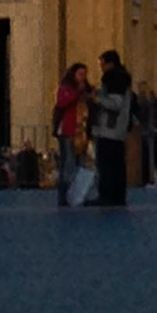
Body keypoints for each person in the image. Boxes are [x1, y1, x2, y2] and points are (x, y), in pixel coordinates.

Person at [88, 51, 133, 207]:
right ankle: (117, 196)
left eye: (103, 64)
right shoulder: (122, 79)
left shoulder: (114, 80)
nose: (101, 67)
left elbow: (115, 104)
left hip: (110, 128)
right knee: (117, 164)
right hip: (118, 130)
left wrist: (97, 99)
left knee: (107, 165)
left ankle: (107, 195)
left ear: (110, 64)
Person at [53, 64, 91, 208]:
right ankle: (64, 196)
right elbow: (62, 102)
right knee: (67, 163)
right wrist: (76, 93)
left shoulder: (85, 90)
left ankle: (77, 194)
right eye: (80, 74)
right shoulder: (65, 88)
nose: (83, 77)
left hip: (81, 131)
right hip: (68, 130)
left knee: (80, 164)